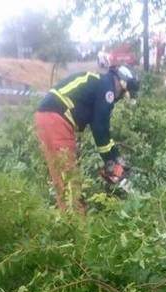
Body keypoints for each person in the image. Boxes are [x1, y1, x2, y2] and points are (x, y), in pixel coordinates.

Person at [34, 65, 139, 212]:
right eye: (122, 95)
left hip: (47, 118)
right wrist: (111, 161)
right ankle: (76, 222)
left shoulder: (99, 83)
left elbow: (100, 129)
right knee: (69, 180)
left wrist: (114, 158)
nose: (118, 98)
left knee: (61, 177)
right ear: (121, 84)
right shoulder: (107, 89)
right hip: (57, 120)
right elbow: (100, 129)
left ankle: (67, 218)